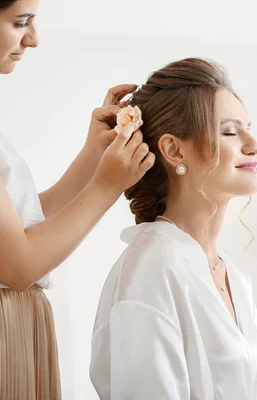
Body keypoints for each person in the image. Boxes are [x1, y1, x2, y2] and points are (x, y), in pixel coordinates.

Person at [90, 58, 257, 400]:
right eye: (231, 131)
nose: (255, 146)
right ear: (174, 150)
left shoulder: (231, 274)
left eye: (249, 128)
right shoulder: (152, 267)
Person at [0, 0, 154, 398]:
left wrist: (93, 156)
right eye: (20, 22)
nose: (33, 39)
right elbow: (18, 266)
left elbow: (19, 227)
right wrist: (106, 186)